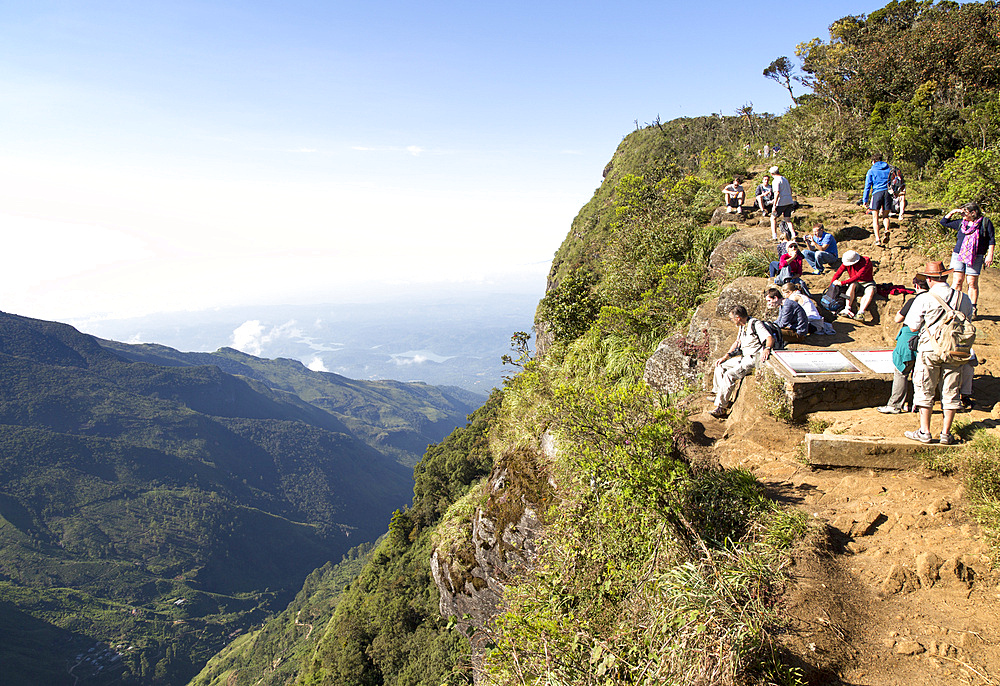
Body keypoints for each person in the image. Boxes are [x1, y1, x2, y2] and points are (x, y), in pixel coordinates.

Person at [903, 261, 974, 445]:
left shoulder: (924, 298)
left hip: (930, 348)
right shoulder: (963, 298)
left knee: (924, 387)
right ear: (946, 277)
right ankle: (945, 433)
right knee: (951, 390)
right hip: (955, 350)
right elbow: (968, 319)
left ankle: (924, 431)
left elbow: (912, 325)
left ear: (929, 279)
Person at [710, 305, 775, 419]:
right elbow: (737, 342)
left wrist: (767, 349)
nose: (731, 320)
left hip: (753, 358)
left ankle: (721, 407)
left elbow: (769, 338)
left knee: (729, 375)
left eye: (732, 318)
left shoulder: (755, 324)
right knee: (720, 366)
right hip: (744, 356)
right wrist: (726, 356)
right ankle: (720, 395)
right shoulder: (742, 326)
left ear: (738, 317)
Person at [877, 277, 928, 414]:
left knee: (902, 371)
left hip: (909, 339)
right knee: (921, 372)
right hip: (927, 339)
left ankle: (895, 404)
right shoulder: (935, 300)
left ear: (916, 285)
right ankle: (916, 404)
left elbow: (898, 318)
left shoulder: (914, 301)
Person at [942, 202, 995, 319]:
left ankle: (972, 309)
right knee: (957, 281)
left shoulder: (985, 223)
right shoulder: (962, 223)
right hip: (958, 255)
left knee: (972, 282)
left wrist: (990, 254)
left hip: (976, 255)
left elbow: (991, 239)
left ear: (973, 213)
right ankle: (954, 307)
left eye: (964, 212)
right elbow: (944, 222)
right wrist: (952, 212)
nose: (962, 215)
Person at [829, 249, 877, 321]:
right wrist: (831, 286)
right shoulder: (847, 262)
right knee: (852, 286)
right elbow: (838, 273)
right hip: (855, 282)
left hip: (868, 282)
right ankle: (847, 308)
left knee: (870, 291)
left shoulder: (866, 261)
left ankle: (861, 312)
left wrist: (842, 283)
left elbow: (858, 276)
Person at [861, 153, 891, 246]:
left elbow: (867, 186)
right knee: (886, 216)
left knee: (875, 218)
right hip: (888, 193)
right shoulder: (889, 169)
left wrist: (865, 200)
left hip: (877, 193)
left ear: (873, 161)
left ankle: (877, 239)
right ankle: (886, 229)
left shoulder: (871, 170)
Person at [769, 166, 795, 241]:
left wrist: (774, 205)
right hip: (789, 200)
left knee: (773, 218)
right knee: (787, 219)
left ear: (772, 173)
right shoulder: (785, 179)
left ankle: (774, 236)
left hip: (781, 202)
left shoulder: (775, 180)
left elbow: (777, 192)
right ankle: (793, 234)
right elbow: (790, 189)